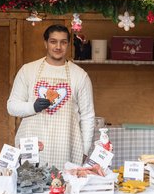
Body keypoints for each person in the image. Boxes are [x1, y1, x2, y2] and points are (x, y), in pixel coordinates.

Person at [7, 24, 95, 168]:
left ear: (68, 44)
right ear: (45, 43)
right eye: (53, 41)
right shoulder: (28, 70)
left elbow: (87, 116)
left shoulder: (80, 75)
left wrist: (85, 150)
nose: (58, 47)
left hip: (66, 146)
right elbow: (11, 106)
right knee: (29, 184)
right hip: (32, 145)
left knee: (63, 187)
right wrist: (32, 106)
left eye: (63, 42)